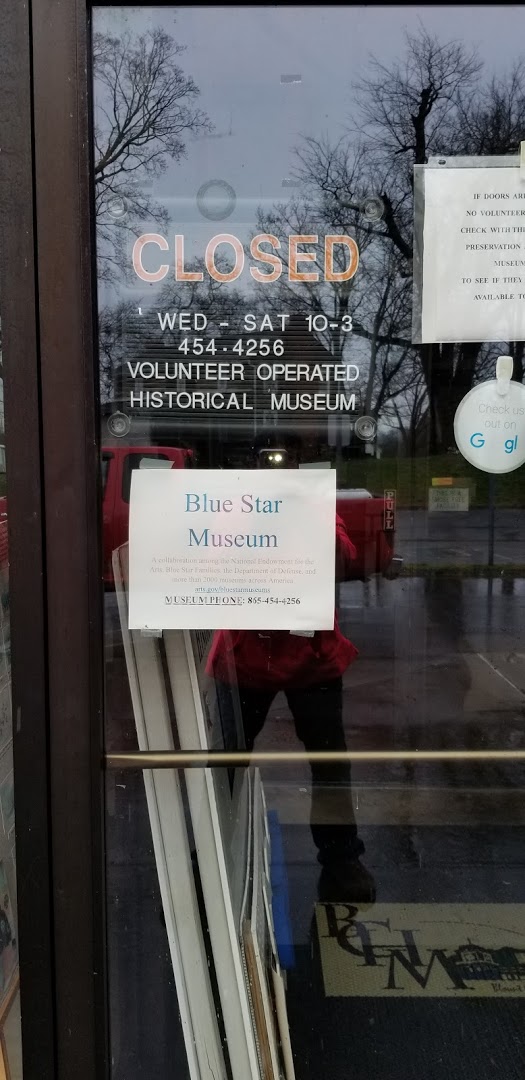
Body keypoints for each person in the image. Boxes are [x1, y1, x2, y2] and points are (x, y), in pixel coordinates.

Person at [205, 447, 375, 905]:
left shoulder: (314, 504)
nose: (273, 473)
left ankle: (341, 856)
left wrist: (305, 514)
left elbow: (343, 556)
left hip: (310, 655)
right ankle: (210, 852)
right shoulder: (231, 509)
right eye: (264, 466)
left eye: (281, 467)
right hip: (244, 655)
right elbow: (205, 553)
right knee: (226, 760)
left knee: (329, 760)